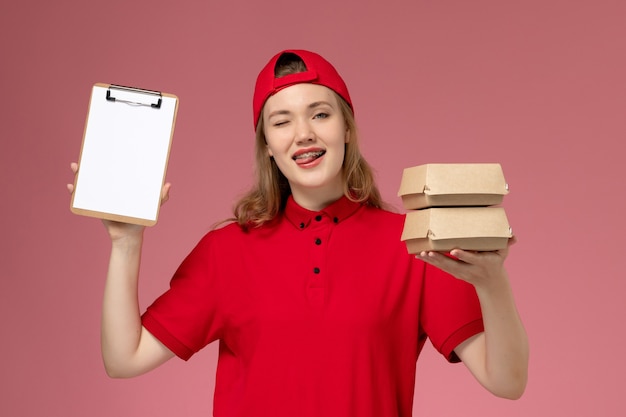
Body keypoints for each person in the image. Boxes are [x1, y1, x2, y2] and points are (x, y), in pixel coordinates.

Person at [68, 49, 528, 416]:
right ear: (267, 146)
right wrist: (126, 242)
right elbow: (123, 359)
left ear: (347, 127)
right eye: (281, 121)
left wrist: (493, 283)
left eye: (320, 114)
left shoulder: (412, 243)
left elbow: (507, 382)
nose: (302, 134)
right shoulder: (225, 252)